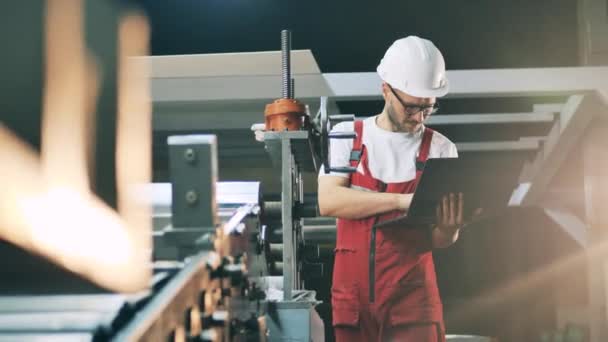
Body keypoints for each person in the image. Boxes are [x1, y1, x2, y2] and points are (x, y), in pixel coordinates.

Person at [317, 36, 465, 342]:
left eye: (428, 108)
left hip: (413, 302)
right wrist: (402, 200)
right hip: (352, 302)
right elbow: (329, 200)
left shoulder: (440, 149)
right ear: (386, 90)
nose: (419, 117)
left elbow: (439, 238)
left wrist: (450, 230)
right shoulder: (346, 137)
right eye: (412, 107)